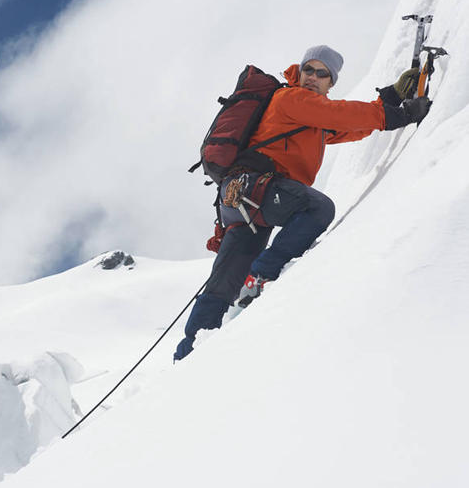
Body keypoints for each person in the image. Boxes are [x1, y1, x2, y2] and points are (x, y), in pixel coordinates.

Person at [173, 45, 431, 362]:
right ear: (300, 71)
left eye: (322, 73)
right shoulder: (291, 98)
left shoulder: (310, 118)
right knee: (317, 208)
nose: (312, 77)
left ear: (330, 82)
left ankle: (189, 351)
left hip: (240, 196)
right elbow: (339, 114)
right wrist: (399, 116)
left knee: (225, 280)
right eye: (308, 69)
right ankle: (261, 276)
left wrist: (388, 100)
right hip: (256, 187)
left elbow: (347, 125)